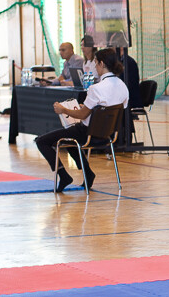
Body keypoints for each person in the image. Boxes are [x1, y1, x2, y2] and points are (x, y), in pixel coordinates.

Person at [35, 48, 130, 192]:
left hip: (88, 133)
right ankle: (88, 173)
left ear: (102, 64)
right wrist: (88, 108)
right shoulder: (123, 86)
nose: (95, 67)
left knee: (41, 141)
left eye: (96, 63)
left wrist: (63, 109)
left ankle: (63, 175)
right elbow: (108, 109)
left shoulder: (96, 88)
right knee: (69, 136)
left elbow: (82, 115)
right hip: (108, 133)